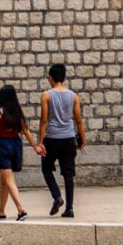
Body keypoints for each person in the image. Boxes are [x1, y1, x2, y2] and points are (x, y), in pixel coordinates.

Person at [38, 63, 85, 219]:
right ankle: (70, 209)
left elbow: (44, 121)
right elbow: (78, 121)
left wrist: (40, 142)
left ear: (51, 78)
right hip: (68, 138)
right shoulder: (73, 96)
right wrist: (82, 140)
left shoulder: (46, 95)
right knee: (68, 174)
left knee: (46, 169)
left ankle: (57, 196)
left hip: (51, 138)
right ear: (64, 78)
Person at [0, 84, 32, 220]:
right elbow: (25, 131)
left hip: (3, 145)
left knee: (8, 179)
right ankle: (1, 211)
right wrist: (35, 146)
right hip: (16, 145)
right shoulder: (17, 111)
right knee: (3, 181)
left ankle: (21, 210)